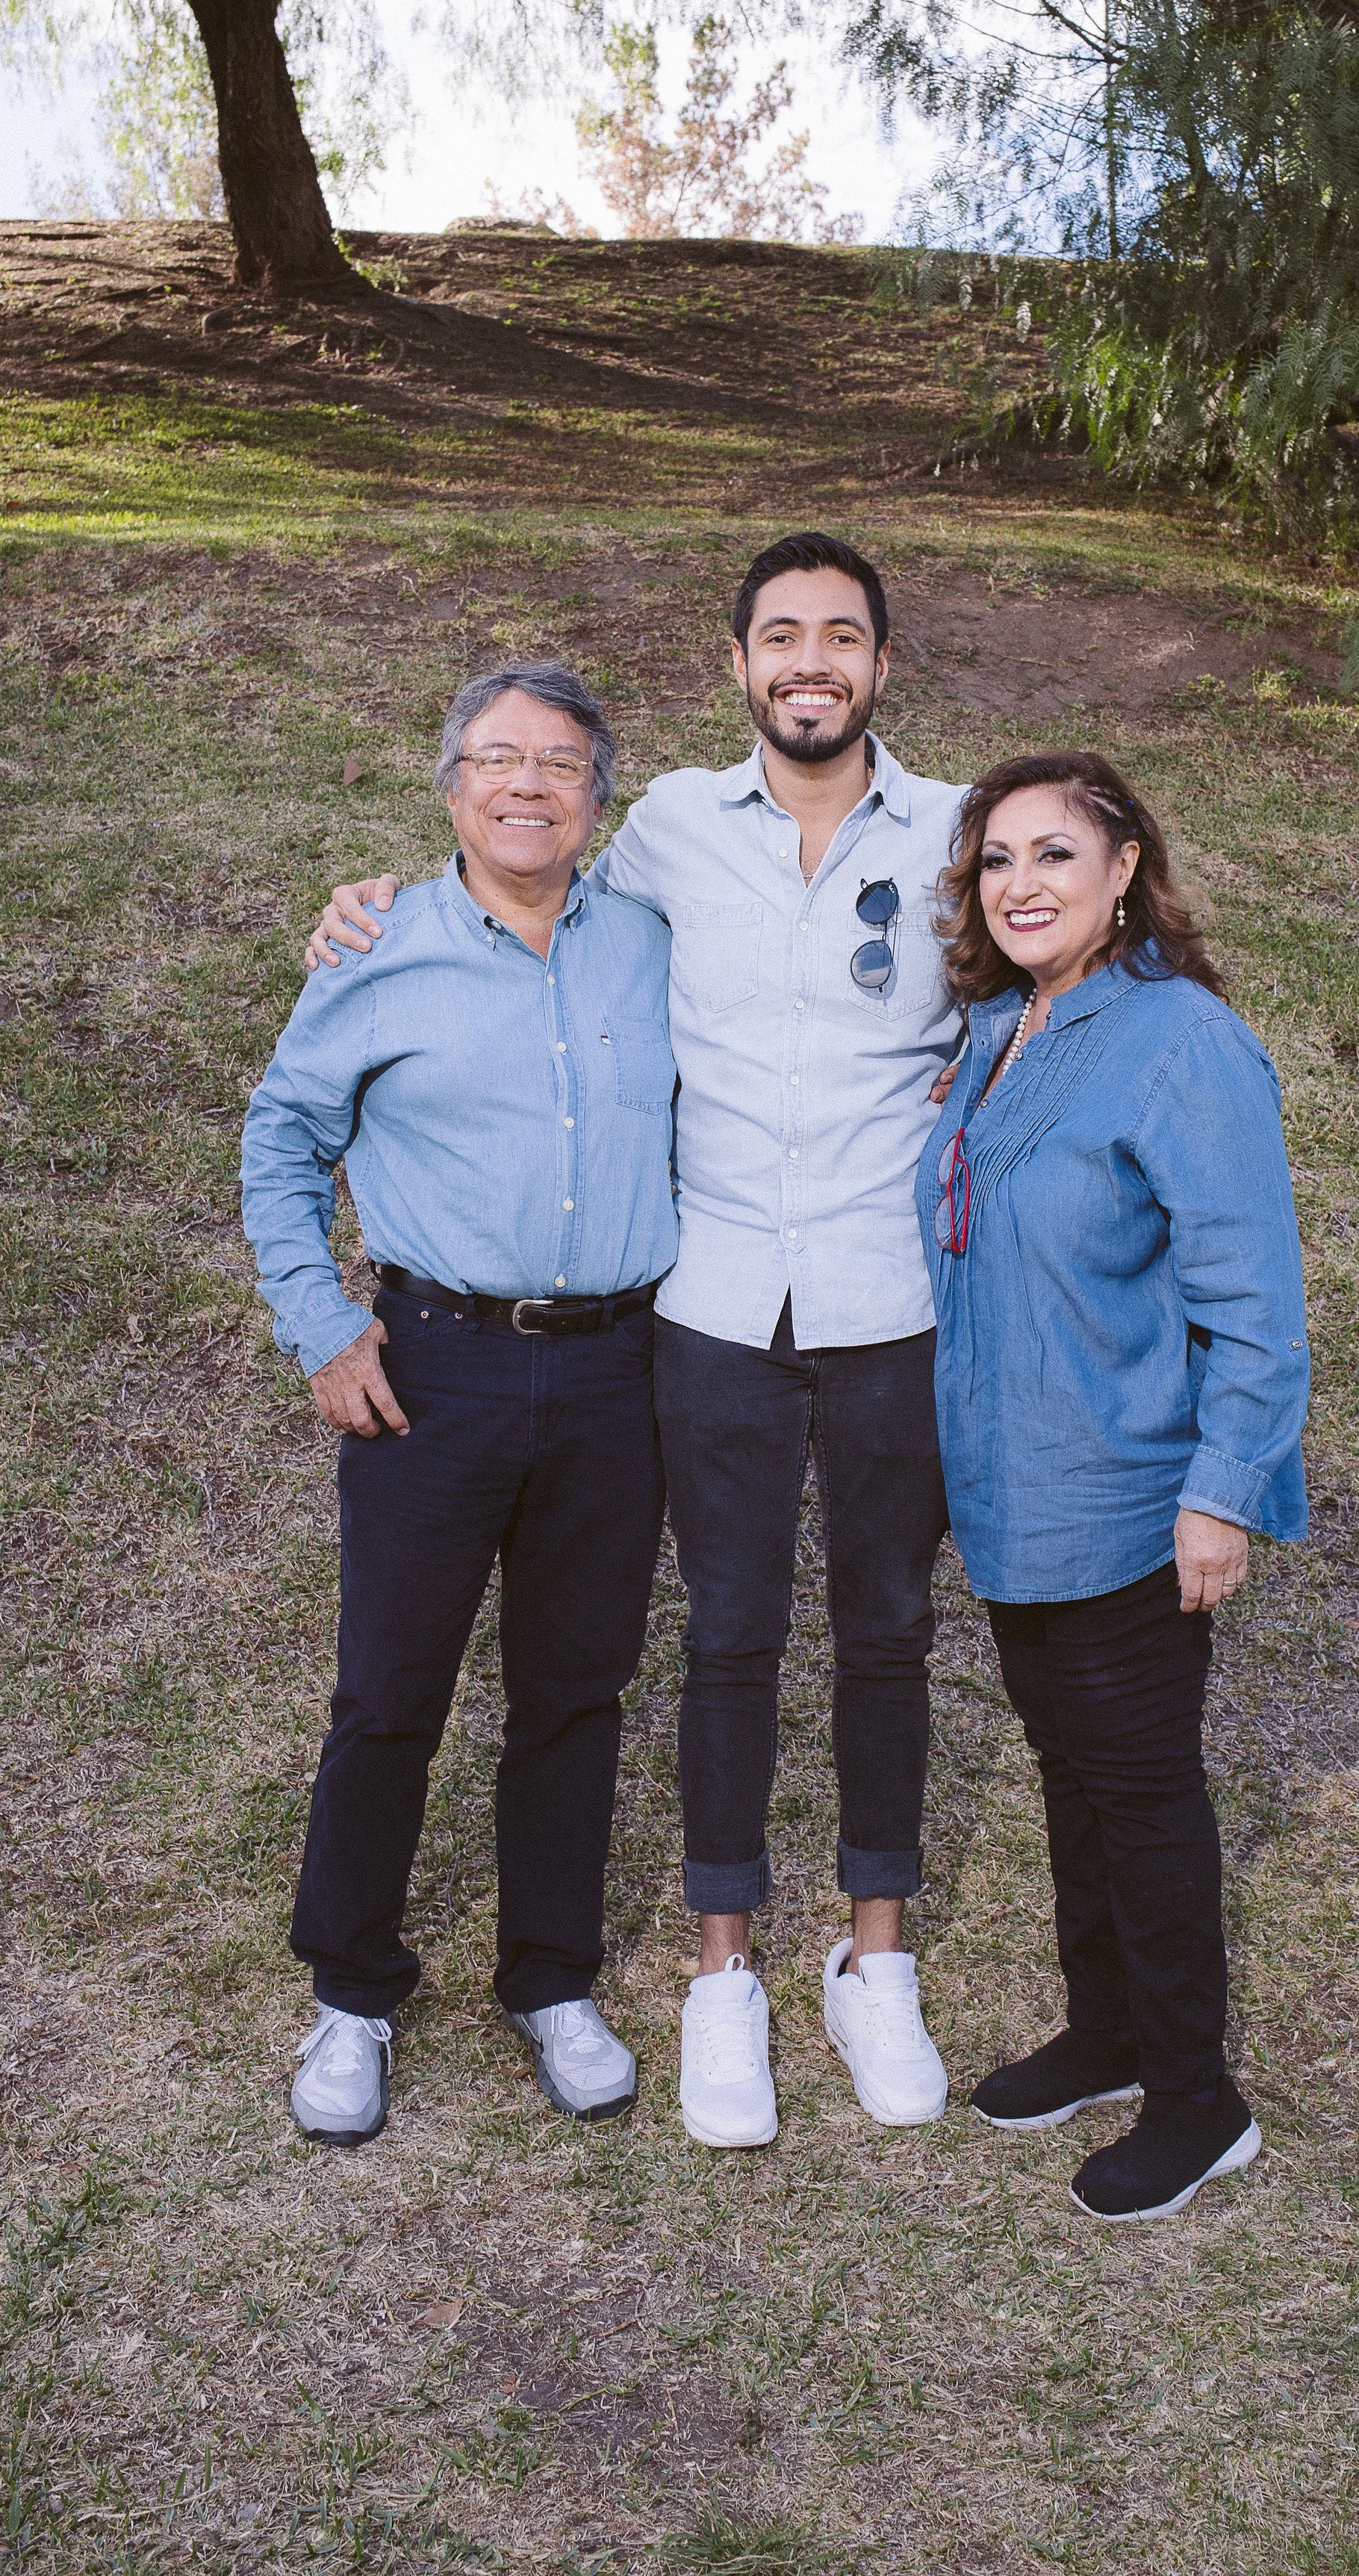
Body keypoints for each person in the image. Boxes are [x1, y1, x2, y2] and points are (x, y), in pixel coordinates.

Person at [306, 535, 963, 2146]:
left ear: (881, 663)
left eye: (842, 637)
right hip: (693, 1307)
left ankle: (836, 1963)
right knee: (678, 1640)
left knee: (839, 1635)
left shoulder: (954, 834)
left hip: (864, 1304)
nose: (810, 662)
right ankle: (674, 1976)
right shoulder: (669, 826)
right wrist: (368, 908)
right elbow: (511, 898)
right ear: (735, 664)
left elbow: (1051, 954)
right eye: (779, 636)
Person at [243, 662, 677, 2147]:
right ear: (448, 789)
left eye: (559, 764)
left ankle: (549, 1978)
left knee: (575, 1687)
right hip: (435, 1367)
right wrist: (319, 1322)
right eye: (496, 759)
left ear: (596, 799)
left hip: (622, 1371)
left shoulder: (654, 941)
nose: (526, 785)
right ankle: (351, 1992)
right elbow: (284, 1136)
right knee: (390, 1692)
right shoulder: (379, 943)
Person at [915, 749, 1310, 2222]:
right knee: (1067, 1779)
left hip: (1134, 1503)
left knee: (1141, 1798)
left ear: (1123, 867)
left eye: (1052, 856)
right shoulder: (994, 1032)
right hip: (1012, 1499)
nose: (1018, 884)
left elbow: (1252, 1300)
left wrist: (1221, 1492)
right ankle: (1105, 2030)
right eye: (995, 860)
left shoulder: (1176, 1042)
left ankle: (1197, 2100)